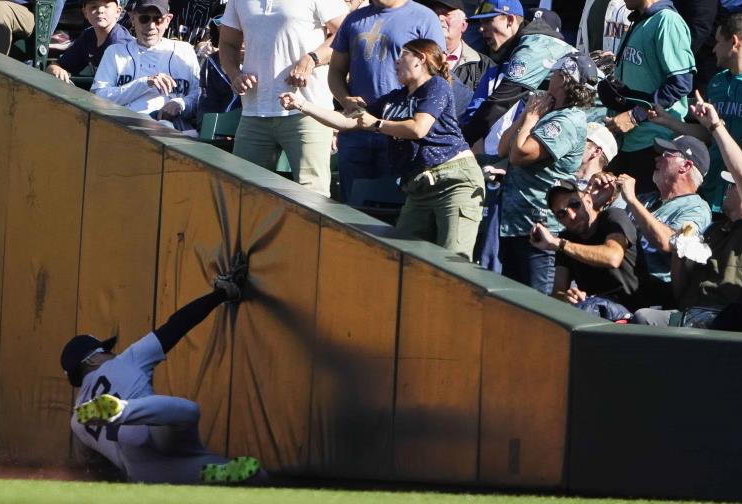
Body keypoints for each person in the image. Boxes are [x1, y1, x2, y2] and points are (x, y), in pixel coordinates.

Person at [61, 253, 266, 484]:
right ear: (91, 360)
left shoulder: (76, 420)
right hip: (155, 429)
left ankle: (211, 474)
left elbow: (92, 467)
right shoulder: (126, 360)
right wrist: (222, 293)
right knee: (188, 413)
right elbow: (177, 325)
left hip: (145, 470)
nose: (112, 353)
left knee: (253, 475)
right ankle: (121, 409)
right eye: (105, 350)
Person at [282, 39, 484, 259]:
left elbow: (418, 128)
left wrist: (377, 124)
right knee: (403, 258)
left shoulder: (437, 85)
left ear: (420, 59)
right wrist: (301, 105)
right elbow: (348, 121)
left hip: (454, 181)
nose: (396, 62)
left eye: (403, 55)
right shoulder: (394, 99)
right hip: (418, 186)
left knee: (453, 260)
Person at [632, 99, 742, 327]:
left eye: (731, 186)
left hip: (726, 318)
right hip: (690, 312)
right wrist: (680, 257)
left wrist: (715, 126)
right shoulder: (715, 231)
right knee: (642, 318)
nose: (727, 189)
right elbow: (681, 290)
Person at [218, 0, 348, 198]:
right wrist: (234, 74)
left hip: (308, 111)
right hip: (254, 112)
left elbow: (347, 31)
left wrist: (313, 58)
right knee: (243, 195)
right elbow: (227, 42)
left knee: (312, 196)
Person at [495, 51, 597, 294]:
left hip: (539, 229)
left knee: (535, 307)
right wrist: (526, 117)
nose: (549, 77)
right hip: (516, 224)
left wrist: (531, 118)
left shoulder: (566, 121)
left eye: (554, 73)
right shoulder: (548, 115)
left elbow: (519, 155)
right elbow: (503, 149)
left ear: (564, 78)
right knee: (511, 304)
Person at [328, 0, 445, 202]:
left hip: (399, 132)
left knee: (395, 207)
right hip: (358, 128)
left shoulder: (424, 18)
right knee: (351, 208)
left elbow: (436, 73)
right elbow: (335, 71)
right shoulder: (354, 19)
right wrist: (345, 99)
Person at [648, 14, 742, 217]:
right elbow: (708, 134)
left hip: (739, 198)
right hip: (710, 190)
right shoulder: (718, 82)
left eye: (718, 42)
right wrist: (667, 120)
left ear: (734, 42)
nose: (713, 48)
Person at [602, 0, 695, 195]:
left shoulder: (667, 21)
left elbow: (680, 84)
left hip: (654, 144)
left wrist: (635, 116)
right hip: (628, 139)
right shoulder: (642, 20)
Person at [461, 2, 575, 154]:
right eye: (480, 22)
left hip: (591, 116)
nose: (481, 29)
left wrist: (461, 143)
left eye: (488, 21)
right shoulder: (526, 44)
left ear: (510, 20)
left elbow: (501, 102)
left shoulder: (533, 46)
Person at [618, 135, 712, 307]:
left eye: (666, 154)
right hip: (619, 281)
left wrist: (631, 200)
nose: (657, 158)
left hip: (652, 293)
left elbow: (670, 242)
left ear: (686, 166)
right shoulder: (645, 199)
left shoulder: (696, 208)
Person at [531, 179, 640, 320]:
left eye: (575, 204)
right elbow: (558, 291)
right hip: (594, 313)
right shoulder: (565, 238)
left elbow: (613, 257)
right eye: (562, 214)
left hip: (633, 311)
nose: (572, 215)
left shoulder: (613, 217)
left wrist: (561, 244)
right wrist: (567, 298)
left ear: (588, 200)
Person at [91, 0, 200, 130]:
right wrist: (145, 83)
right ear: (132, 18)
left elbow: (198, 95)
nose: (151, 26)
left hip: (175, 129)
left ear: (168, 20)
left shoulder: (184, 51)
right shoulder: (115, 52)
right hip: (126, 127)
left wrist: (181, 103)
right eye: (144, 19)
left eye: (158, 19)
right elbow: (98, 98)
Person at [45, 0, 133, 84]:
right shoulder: (89, 36)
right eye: (94, 7)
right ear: (85, 12)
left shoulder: (120, 44)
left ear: (118, 12)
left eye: (106, 6)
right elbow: (59, 65)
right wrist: (55, 69)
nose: (100, 11)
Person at [425, 0, 495, 91]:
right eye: (434, 13)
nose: (439, 18)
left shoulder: (484, 66)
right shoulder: (413, 58)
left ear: (463, 25)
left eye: (447, 14)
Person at [196, 5, 240, 127]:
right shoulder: (212, 63)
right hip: (219, 133)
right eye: (219, 21)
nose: (226, 27)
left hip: (256, 133)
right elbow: (206, 105)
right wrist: (209, 130)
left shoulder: (263, 59)